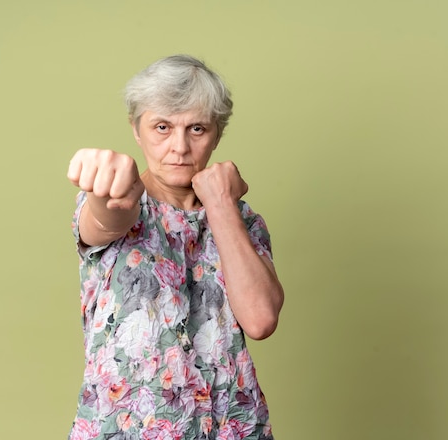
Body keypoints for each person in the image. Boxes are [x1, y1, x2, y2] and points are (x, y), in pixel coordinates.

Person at [66, 54, 284, 440]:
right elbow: (107, 217)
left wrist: (220, 205)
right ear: (136, 129)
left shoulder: (242, 219)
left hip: (229, 425)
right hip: (128, 427)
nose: (179, 147)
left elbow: (261, 319)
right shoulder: (125, 199)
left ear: (217, 134)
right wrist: (103, 185)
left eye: (197, 128)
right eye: (162, 127)